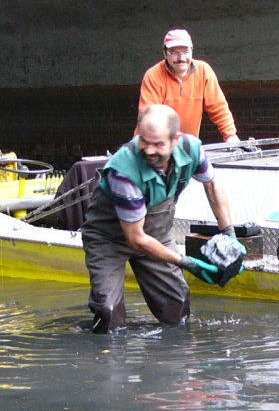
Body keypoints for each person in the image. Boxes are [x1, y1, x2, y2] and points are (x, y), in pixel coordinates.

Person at [81, 104, 239, 333]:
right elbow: (136, 239)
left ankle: (174, 362)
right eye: (144, 141)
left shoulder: (192, 149)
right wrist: (188, 262)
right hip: (109, 240)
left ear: (176, 140)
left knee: (177, 307)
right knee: (107, 312)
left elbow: (212, 183)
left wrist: (229, 233)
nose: (149, 150)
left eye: (158, 144)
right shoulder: (124, 171)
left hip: (157, 234)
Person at [136, 29, 240, 143]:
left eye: (185, 51)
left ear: (191, 52)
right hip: (153, 145)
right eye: (174, 52)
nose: (181, 58)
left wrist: (230, 135)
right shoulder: (153, 76)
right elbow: (149, 118)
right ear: (165, 54)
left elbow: (219, 107)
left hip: (186, 148)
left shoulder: (204, 71)